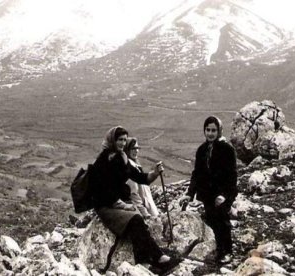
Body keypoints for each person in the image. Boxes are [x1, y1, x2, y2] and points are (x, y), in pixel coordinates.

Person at [90, 126, 180, 273]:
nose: (123, 143)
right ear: (112, 140)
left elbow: (139, 177)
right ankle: (158, 258)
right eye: (120, 140)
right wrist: (123, 206)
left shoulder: (121, 158)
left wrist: (155, 173)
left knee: (138, 221)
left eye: (125, 140)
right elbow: (103, 189)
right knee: (136, 219)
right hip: (105, 206)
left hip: (116, 203)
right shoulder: (104, 160)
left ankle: (146, 261)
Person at [179, 116, 238, 264]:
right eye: (208, 130)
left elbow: (232, 175)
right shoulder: (201, 150)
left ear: (219, 131)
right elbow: (197, 174)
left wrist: (225, 195)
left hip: (222, 194)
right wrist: (190, 194)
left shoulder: (227, 149)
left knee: (223, 221)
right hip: (207, 194)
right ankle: (219, 251)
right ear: (204, 131)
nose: (210, 133)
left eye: (214, 130)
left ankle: (228, 252)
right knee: (212, 220)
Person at [124, 137, 159, 218]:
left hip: (148, 207)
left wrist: (155, 173)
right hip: (145, 212)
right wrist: (145, 214)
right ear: (127, 150)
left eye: (137, 148)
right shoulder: (129, 168)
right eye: (133, 148)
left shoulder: (136, 166)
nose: (136, 151)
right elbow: (134, 195)